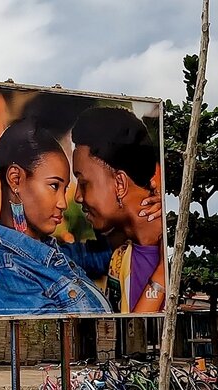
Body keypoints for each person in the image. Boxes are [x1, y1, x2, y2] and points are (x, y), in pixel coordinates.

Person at [0, 118, 111, 315]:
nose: (63, 203)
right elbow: (49, 345)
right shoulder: (6, 270)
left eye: (64, 190)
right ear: (16, 179)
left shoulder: (51, 254)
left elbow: (109, 253)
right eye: (54, 186)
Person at [68, 107, 166, 313]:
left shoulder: (171, 252)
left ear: (120, 184)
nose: (77, 196)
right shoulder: (120, 257)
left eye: (84, 183)